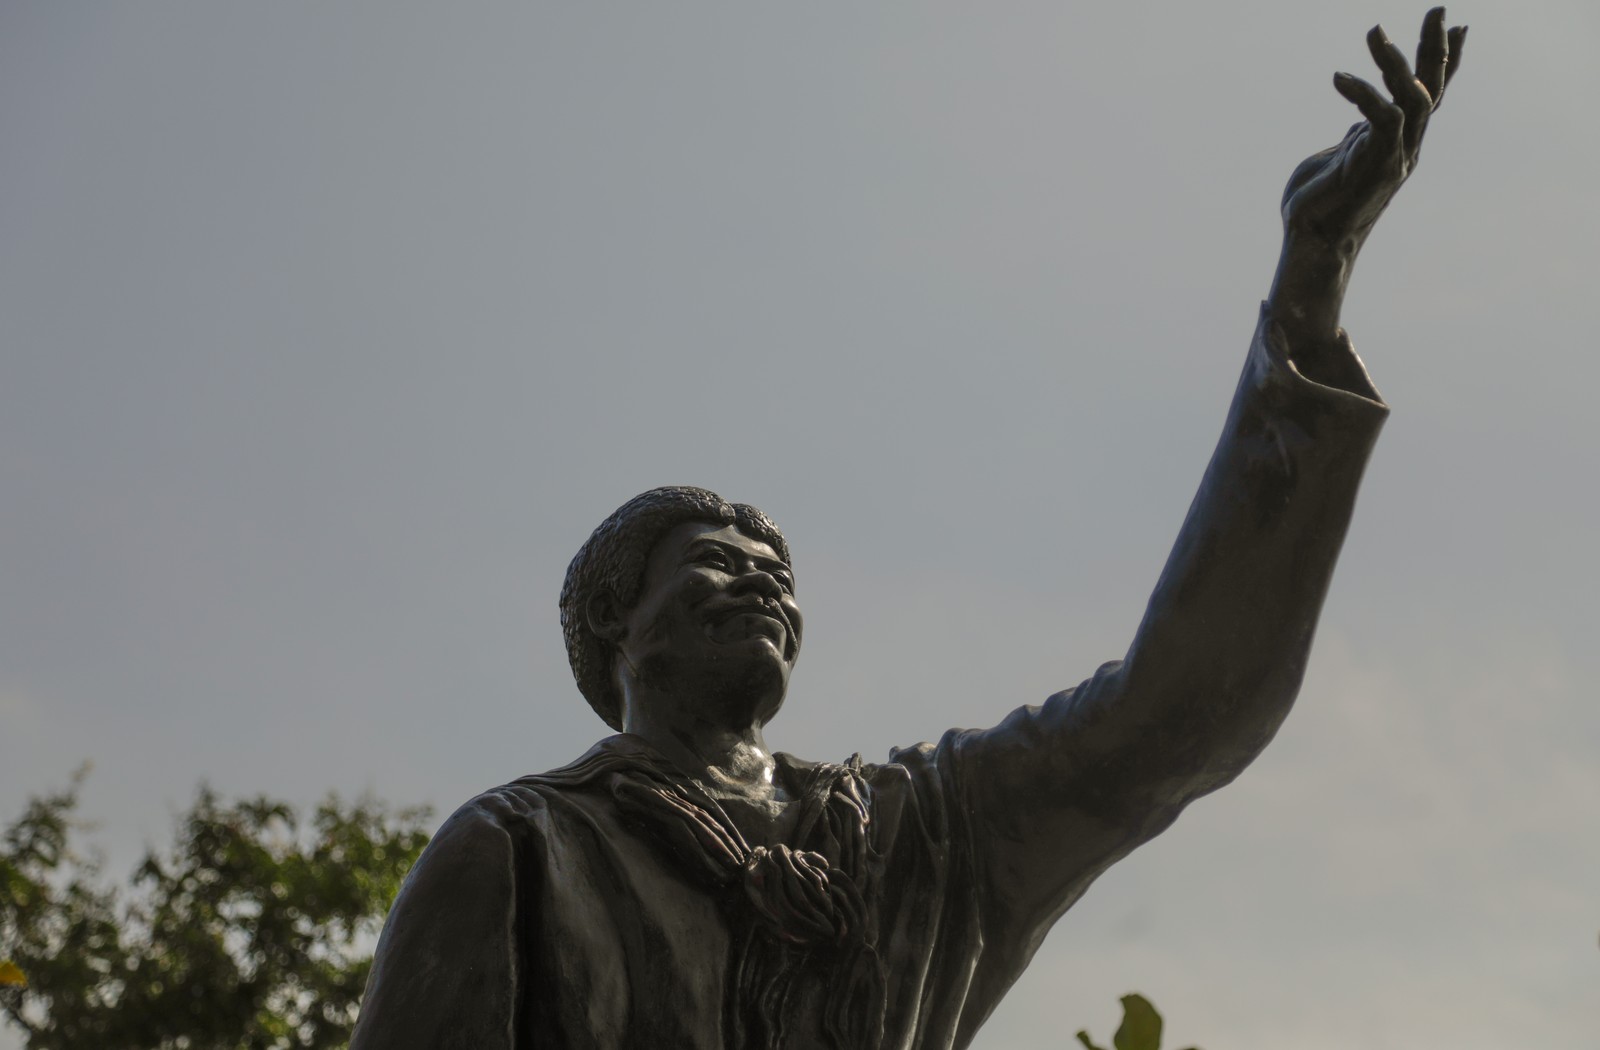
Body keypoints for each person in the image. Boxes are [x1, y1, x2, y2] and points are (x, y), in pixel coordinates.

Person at [351, 12, 1465, 1050]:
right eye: (717, 565)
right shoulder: (518, 853)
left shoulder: (917, 834)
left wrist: (1310, 278)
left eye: (776, 573)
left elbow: (1176, 717)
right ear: (614, 617)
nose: (764, 587)